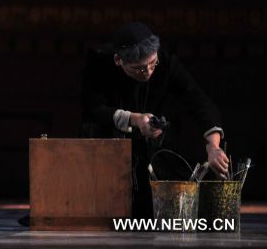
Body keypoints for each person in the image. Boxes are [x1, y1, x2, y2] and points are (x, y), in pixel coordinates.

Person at [82, 21, 229, 217]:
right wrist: (134, 119)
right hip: (105, 148)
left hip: (148, 148)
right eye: (139, 69)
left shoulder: (166, 63)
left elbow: (198, 101)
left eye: (152, 64)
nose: (149, 72)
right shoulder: (99, 63)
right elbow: (92, 109)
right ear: (119, 60)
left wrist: (213, 146)